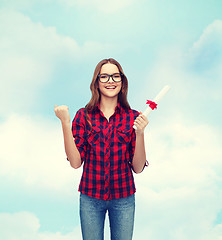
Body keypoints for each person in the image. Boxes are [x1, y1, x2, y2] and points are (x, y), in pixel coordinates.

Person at [54, 58, 149, 240]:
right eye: (104, 77)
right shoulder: (83, 116)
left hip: (124, 198)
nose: (110, 81)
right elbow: (75, 163)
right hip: (90, 197)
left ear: (122, 82)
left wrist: (140, 133)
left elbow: (138, 168)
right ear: (96, 83)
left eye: (115, 76)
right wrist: (65, 122)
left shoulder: (133, 117)